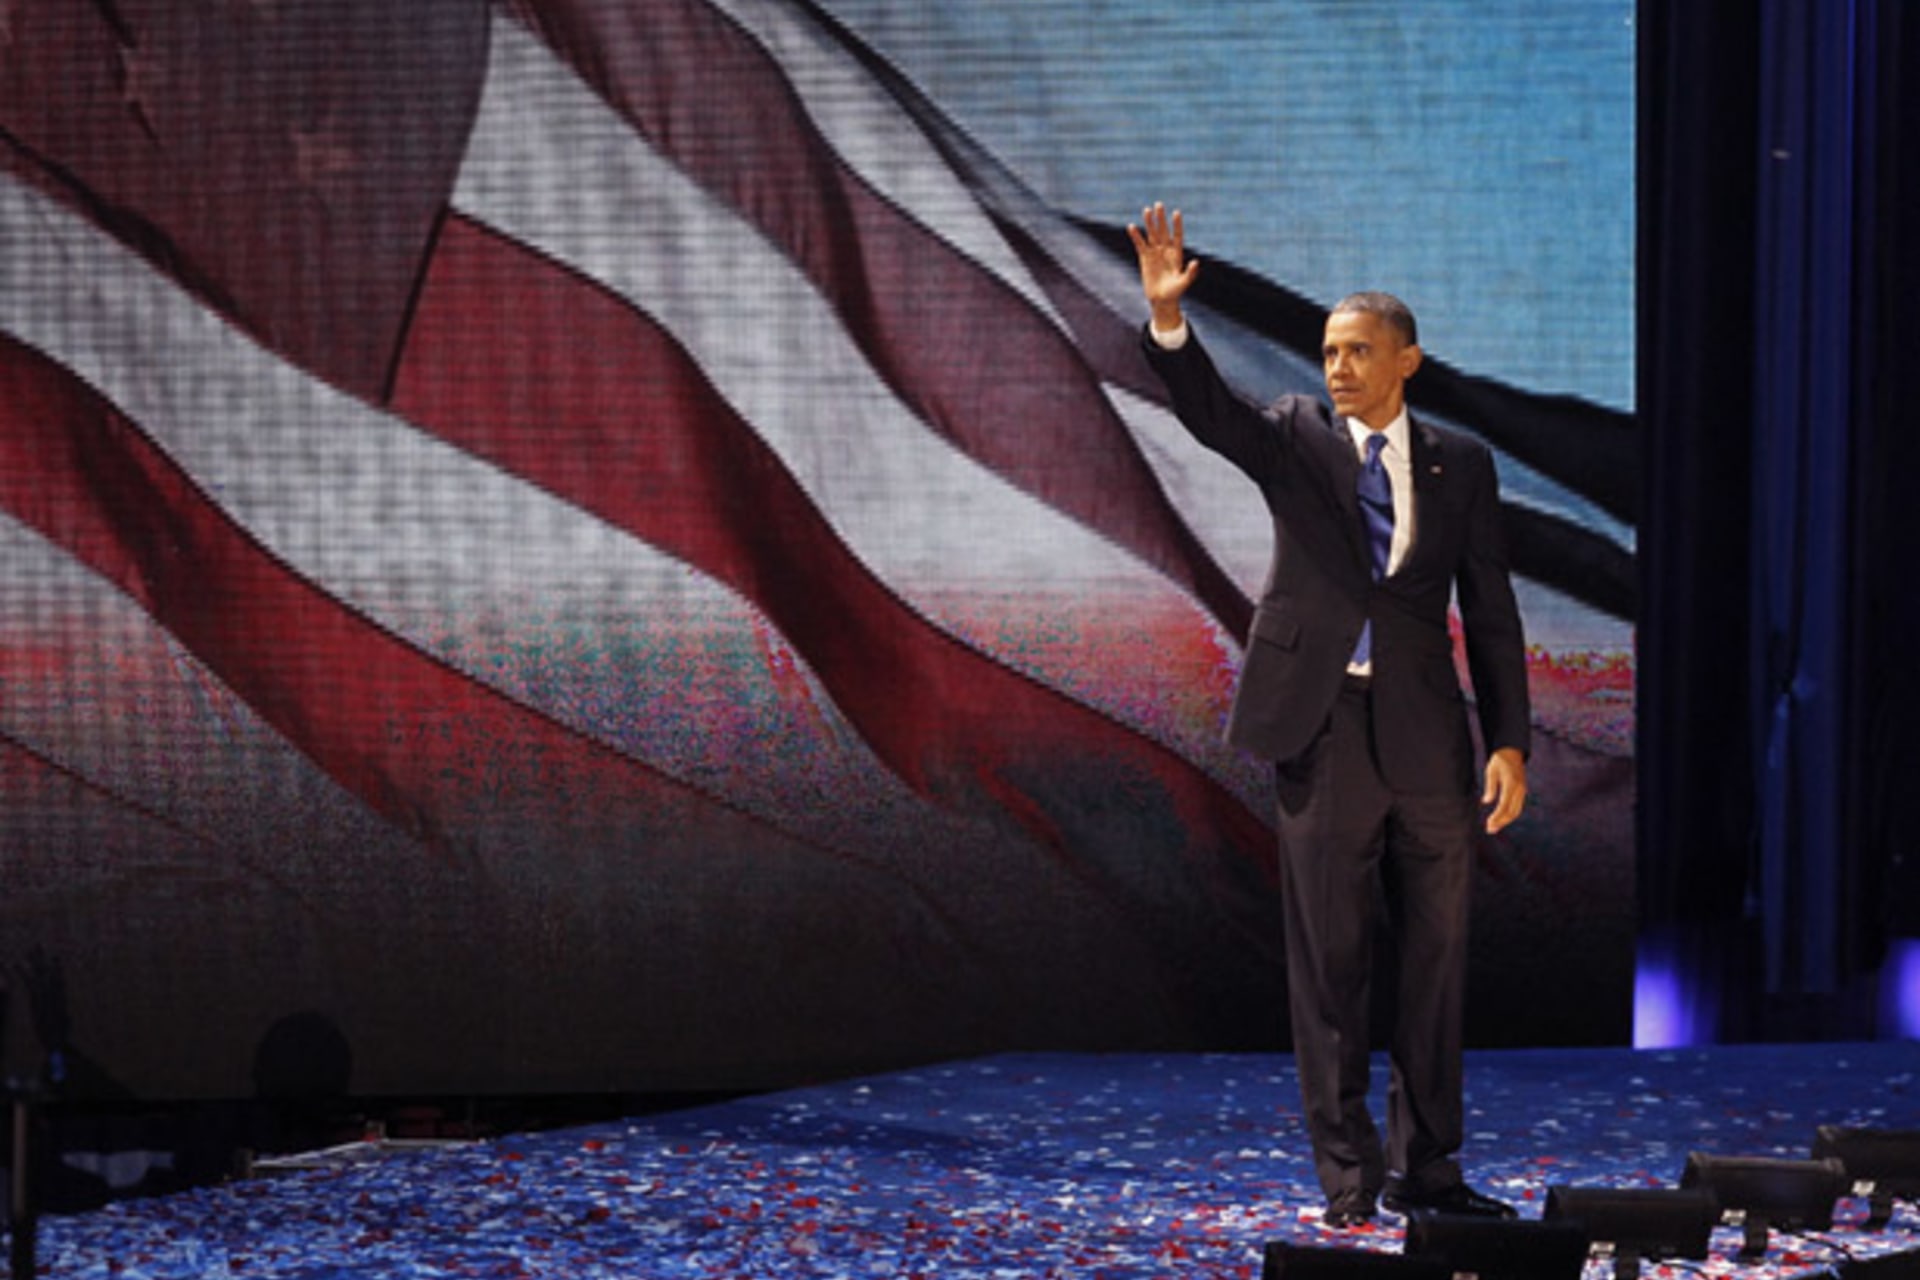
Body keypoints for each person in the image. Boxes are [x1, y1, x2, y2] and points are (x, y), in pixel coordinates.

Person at [1127, 203, 1530, 1228]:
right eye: (1328, 352)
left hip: (1430, 743)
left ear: (1408, 360)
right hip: (1322, 728)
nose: (1338, 367)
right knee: (1333, 967)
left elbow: (1489, 609)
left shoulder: (1463, 464)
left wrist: (1512, 741)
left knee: (1436, 967)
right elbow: (1209, 410)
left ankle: (1429, 1170)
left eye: (1357, 352)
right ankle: (1349, 1178)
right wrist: (1171, 323)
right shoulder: (1296, 437)